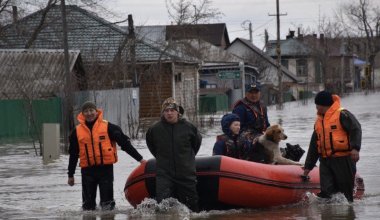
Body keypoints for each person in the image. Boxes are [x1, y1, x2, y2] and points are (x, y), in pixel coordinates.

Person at [67, 101, 145, 210]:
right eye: (86, 111)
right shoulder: (76, 131)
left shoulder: (109, 127)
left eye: (91, 110)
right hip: (87, 172)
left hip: (105, 171)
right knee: (88, 207)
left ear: (96, 111)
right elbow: (73, 155)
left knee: (107, 206)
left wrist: (141, 160)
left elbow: (125, 144)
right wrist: (70, 175)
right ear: (82, 114)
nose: (89, 113)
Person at [302, 91, 362, 202]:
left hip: (343, 159)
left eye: (317, 105)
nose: (316, 108)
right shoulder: (319, 121)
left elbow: (356, 129)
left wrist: (355, 148)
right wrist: (308, 167)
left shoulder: (343, 114)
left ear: (324, 104)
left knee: (346, 196)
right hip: (325, 161)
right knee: (326, 194)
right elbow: (314, 146)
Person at [146, 97, 202, 212]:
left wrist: (186, 160)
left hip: (186, 173)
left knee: (192, 207)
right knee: (163, 207)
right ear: (163, 113)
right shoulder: (154, 129)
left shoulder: (189, 127)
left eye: (172, 110)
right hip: (164, 174)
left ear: (178, 112)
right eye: (166, 111)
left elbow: (196, 144)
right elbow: (152, 147)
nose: (169, 113)